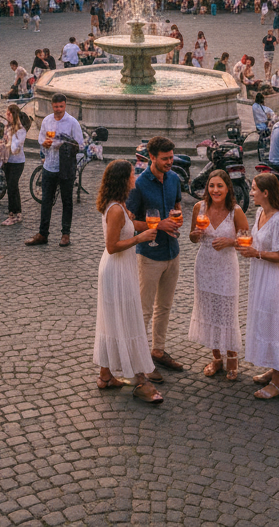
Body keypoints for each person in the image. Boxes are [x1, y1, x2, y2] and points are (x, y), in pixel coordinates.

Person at [93, 160, 161, 403]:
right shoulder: (115, 209)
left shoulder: (120, 205)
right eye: (132, 174)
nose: (135, 177)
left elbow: (126, 226)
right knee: (126, 319)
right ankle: (140, 379)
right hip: (116, 270)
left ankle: (105, 375)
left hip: (123, 268)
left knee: (114, 319)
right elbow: (111, 246)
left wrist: (155, 225)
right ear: (123, 179)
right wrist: (140, 237)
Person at [125, 136, 184, 377]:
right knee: (144, 310)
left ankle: (158, 350)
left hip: (172, 251)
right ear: (152, 157)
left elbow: (177, 206)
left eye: (171, 158)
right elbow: (129, 223)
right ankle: (139, 363)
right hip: (149, 255)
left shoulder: (174, 178)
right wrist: (159, 225)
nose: (170, 162)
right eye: (165, 158)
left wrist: (178, 218)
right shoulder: (139, 185)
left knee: (165, 307)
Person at [238, 173, 279, 399]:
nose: (251, 192)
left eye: (254, 189)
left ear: (266, 193)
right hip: (260, 276)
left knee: (275, 325)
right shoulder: (259, 213)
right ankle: (276, 369)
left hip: (273, 279)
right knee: (265, 321)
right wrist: (245, 246)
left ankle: (278, 382)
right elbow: (257, 242)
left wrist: (257, 253)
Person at [189, 168, 248, 382]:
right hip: (204, 265)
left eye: (219, 186)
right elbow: (192, 237)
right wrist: (195, 235)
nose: (215, 190)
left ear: (228, 188)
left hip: (226, 267)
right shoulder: (199, 208)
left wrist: (230, 241)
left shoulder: (236, 211)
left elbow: (246, 240)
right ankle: (216, 358)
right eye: (211, 186)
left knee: (227, 312)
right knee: (208, 311)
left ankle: (232, 358)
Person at [26, 93, 85, 247]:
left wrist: (66, 146)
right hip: (49, 166)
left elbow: (80, 145)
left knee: (67, 201)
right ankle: (42, 233)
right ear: (52, 106)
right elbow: (41, 138)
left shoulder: (72, 123)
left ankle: (65, 234)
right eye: (56, 106)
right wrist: (44, 143)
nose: (58, 109)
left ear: (65, 105)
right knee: (46, 201)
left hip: (65, 167)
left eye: (61, 106)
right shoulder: (47, 120)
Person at [0, 104, 28, 226]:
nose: (7, 116)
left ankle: (13, 214)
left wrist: (7, 141)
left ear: (14, 115)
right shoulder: (7, 127)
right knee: (12, 187)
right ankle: (16, 213)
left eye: (9, 114)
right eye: (6, 113)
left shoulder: (21, 130)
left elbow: (15, 148)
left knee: (12, 186)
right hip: (8, 161)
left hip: (17, 162)